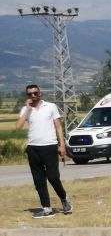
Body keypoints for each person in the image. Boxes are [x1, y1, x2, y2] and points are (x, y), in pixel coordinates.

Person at [16, 83, 71, 218]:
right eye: (30, 94)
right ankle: (46, 208)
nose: (33, 96)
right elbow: (18, 126)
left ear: (40, 93)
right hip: (33, 148)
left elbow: (58, 127)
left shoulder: (50, 107)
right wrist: (28, 109)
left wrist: (62, 145)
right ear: (27, 95)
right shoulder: (26, 109)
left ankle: (64, 198)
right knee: (39, 180)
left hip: (50, 146)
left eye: (35, 93)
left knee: (53, 177)